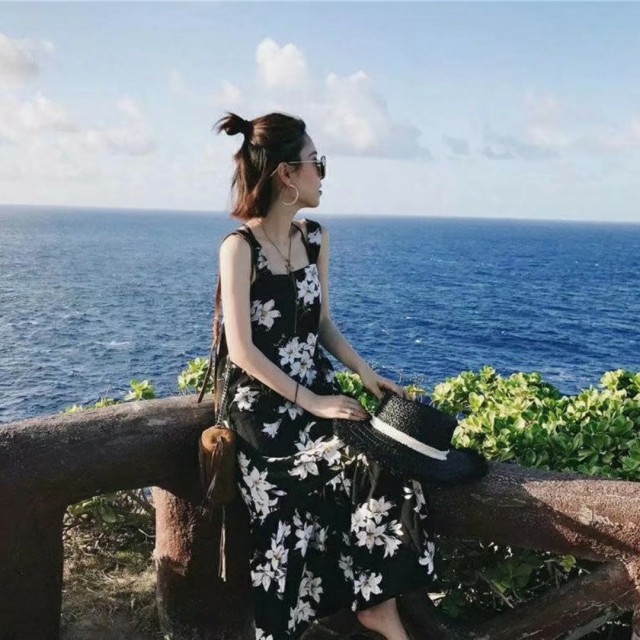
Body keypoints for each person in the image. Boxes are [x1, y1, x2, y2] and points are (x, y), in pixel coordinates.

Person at [212, 111, 436, 640]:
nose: (323, 173)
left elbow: (324, 324)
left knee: (385, 453)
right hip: (261, 410)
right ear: (287, 174)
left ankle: (376, 603)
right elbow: (241, 350)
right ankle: (368, 610)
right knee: (348, 467)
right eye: (317, 162)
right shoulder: (239, 248)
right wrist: (312, 402)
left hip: (312, 389)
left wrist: (366, 374)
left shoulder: (315, 238)